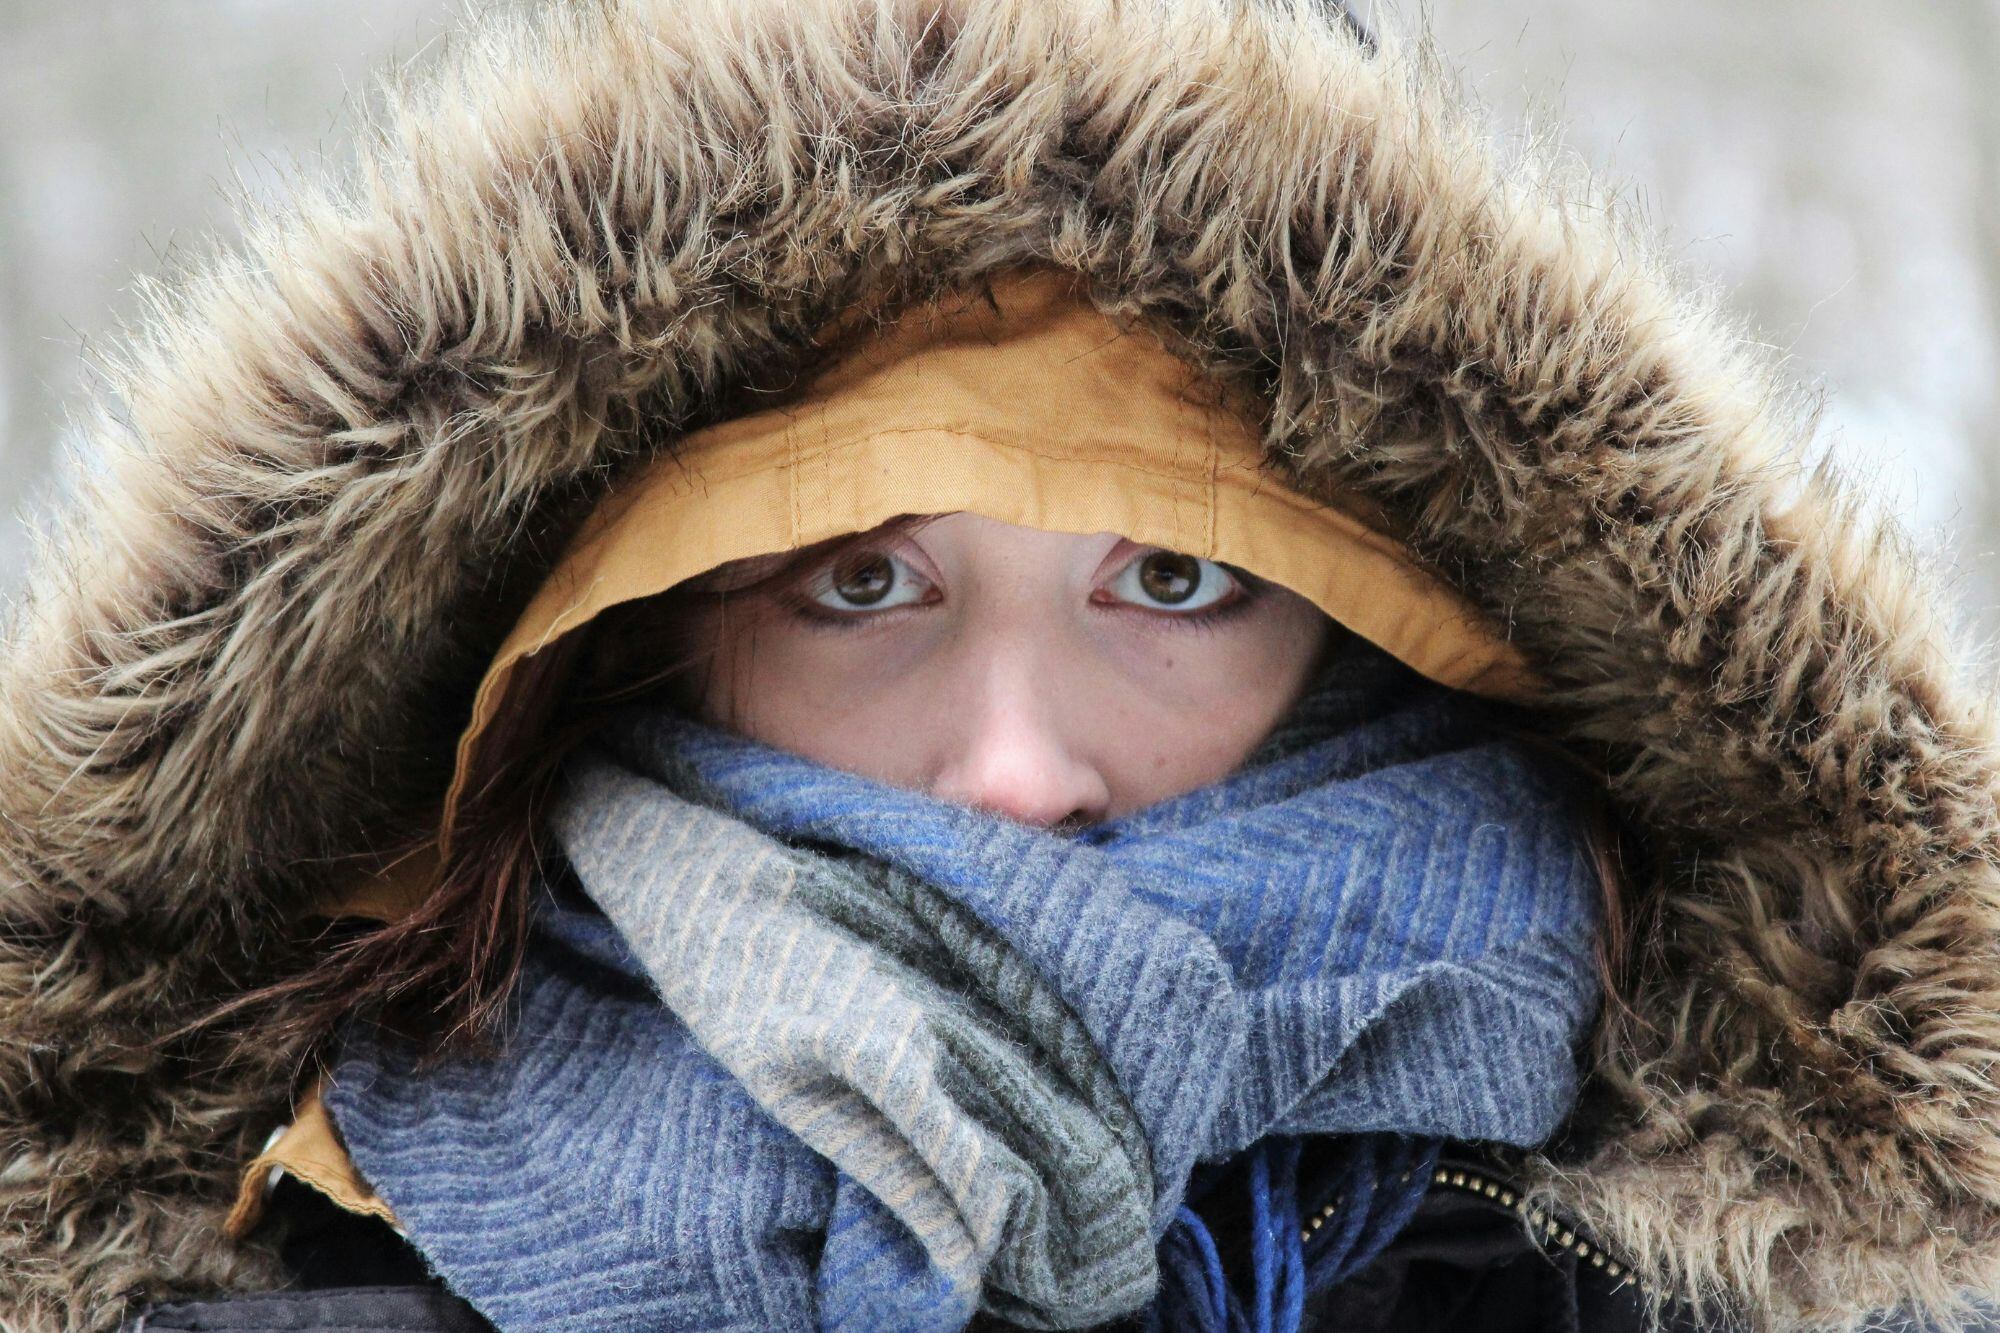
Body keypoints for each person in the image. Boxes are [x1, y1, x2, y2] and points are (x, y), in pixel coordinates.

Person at [3, 1, 1998, 1332]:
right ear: (621, 646)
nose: (1017, 768)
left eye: (1174, 579)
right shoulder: (288, 1267)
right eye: (863, 582)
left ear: (1389, 627)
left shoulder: (1716, 1284)